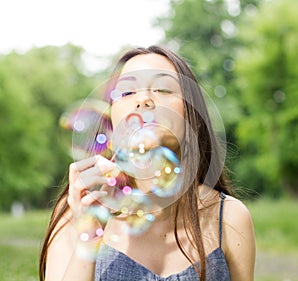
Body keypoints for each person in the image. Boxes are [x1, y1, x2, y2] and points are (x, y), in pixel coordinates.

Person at [39, 45, 256, 281]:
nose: (143, 100)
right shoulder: (76, 211)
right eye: (126, 93)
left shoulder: (229, 217)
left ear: (191, 115)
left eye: (163, 88)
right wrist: (88, 232)